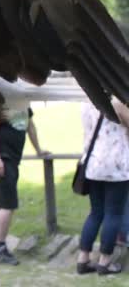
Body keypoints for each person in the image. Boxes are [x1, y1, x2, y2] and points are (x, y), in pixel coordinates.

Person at [0, 106, 48, 265]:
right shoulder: (4, 102)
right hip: (2, 160)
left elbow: (30, 127)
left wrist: (38, 150)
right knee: (8, 205)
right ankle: (0, 248)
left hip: (8, 160)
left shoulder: (24, 103)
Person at [76, 98, 129, 275]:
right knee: (113, 213)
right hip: (116, 166)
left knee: (96, 212)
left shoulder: (86, 102)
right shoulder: (117, 103)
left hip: (93, 164)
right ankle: (105, 263)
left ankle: (83, 260)